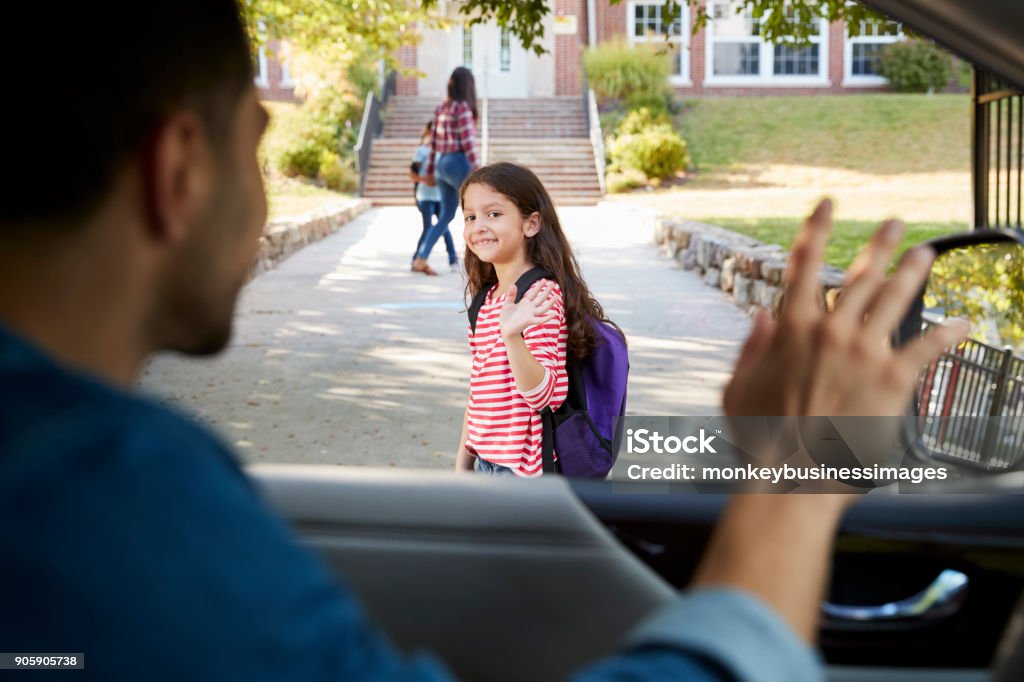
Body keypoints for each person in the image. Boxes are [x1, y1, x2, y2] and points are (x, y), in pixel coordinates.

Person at [0, 1, 970, 680]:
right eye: (256, 140)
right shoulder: (117, 495)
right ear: (179, 170)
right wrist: (796, 476)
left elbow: (540, 390)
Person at [453, 163, 614, 477]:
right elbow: (480, 389)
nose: (479, 226)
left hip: (522, 471)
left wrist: (512, 336)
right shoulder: (486, 299)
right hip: (487, 461)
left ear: (531, 224)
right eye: (470, 216)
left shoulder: (540, 296)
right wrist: (464, 459)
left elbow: (544, 396)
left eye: (494, 214)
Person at [410, 66, 480, 277]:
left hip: (441, 165)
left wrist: (430, 170)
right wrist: (478, 170)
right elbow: (468, 142)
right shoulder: (463, 109)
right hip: (457, 161)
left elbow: (433, 144)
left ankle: (421, 258)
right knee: (478, 211)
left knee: (447, 215)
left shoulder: (442, 108)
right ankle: (482, 263)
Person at [410, 121, 459, 273]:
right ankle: (417, 259)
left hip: (442, 196)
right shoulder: (421, 151)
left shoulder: (445, 153)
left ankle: (453, 260)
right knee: (428, 228)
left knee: (444, 227)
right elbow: (412, 175)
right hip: (425, 196)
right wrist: (426, 180)